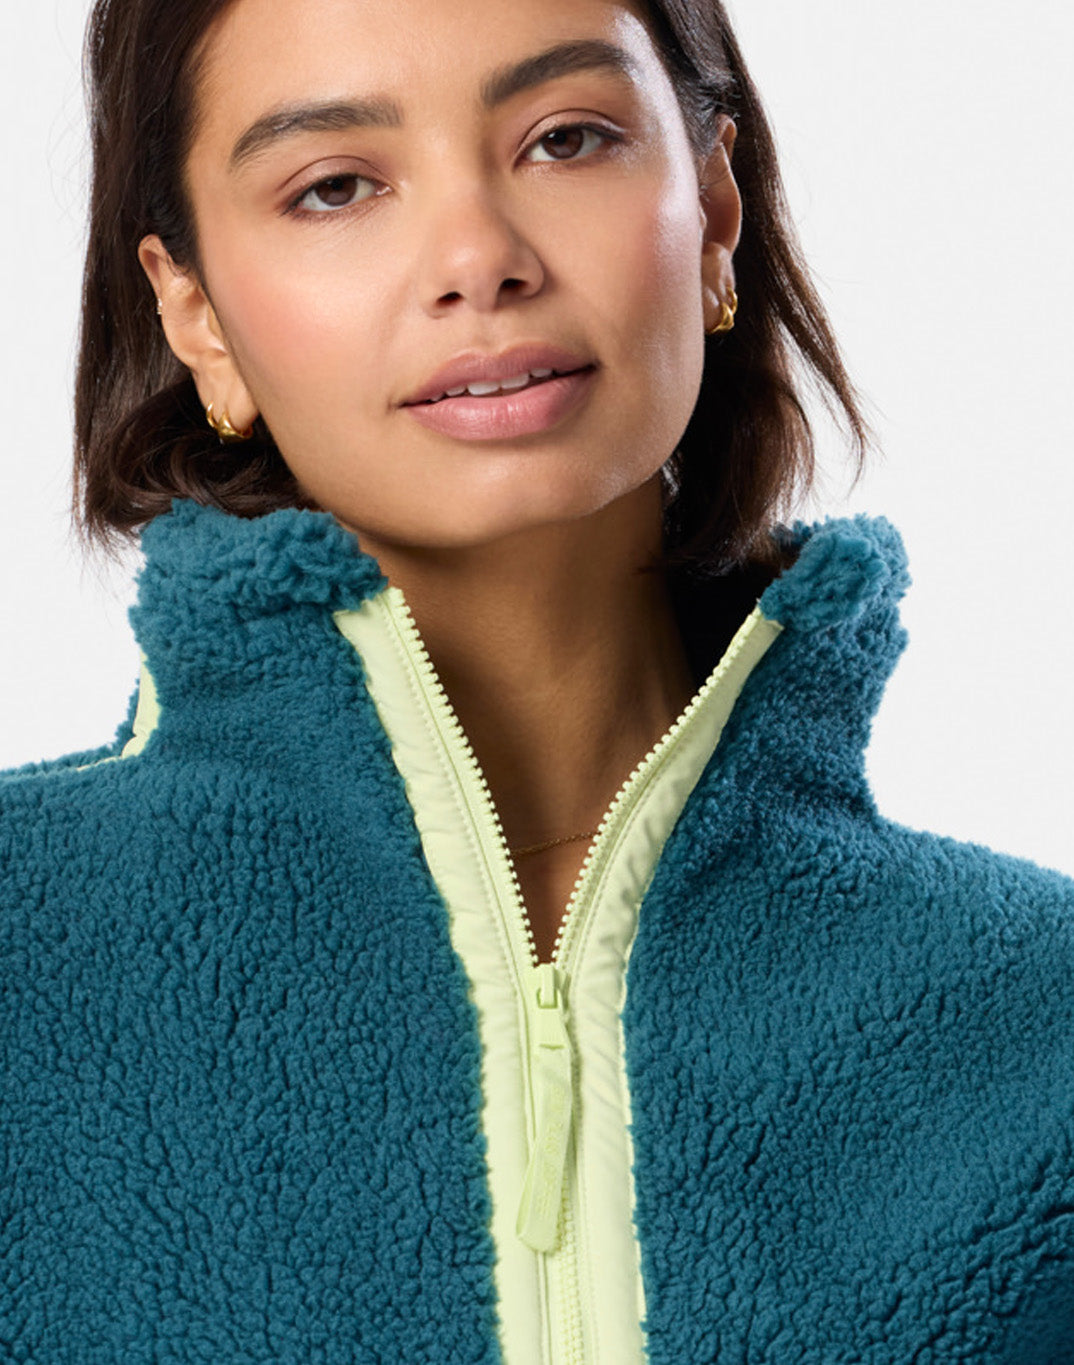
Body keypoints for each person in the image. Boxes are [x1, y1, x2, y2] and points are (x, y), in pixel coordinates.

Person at [2, 0, 1073, 1361]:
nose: (478, 260)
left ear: (714, 208)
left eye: (565, 139)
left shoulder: (1043, 1019)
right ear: (194, 310)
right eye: (335, 186)